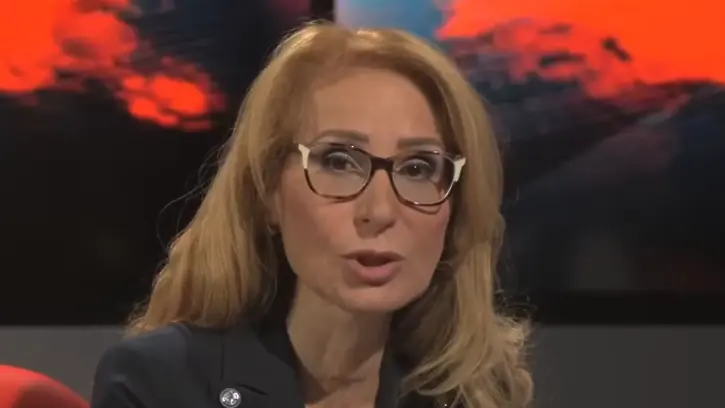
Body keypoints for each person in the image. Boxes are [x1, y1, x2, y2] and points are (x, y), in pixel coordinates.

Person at [90, 22, 532, 408]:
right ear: (268, 192)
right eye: (339, 161)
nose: (380, 211)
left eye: (418, 168)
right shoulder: (159, 383)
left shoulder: (476, 395)